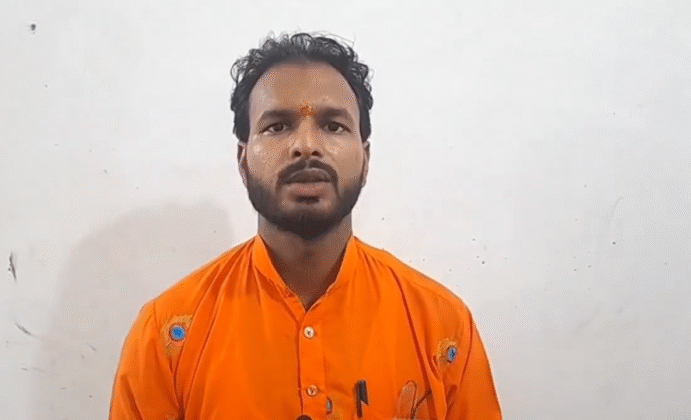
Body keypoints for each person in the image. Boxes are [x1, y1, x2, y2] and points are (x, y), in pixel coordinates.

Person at [109, 32, 501, 420]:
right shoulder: (168, 336)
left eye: (333, 126)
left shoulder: (442, 330)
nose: (306, 145)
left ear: (365, 159)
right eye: (277, 126)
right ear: (243, 161)